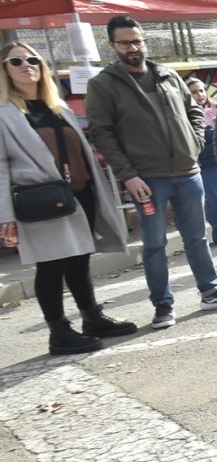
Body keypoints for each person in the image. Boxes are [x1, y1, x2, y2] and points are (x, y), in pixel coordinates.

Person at [83, 17, 217, 329]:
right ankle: (163, 303)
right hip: (146, 179)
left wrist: (195, 142)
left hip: (187, 171)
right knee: (155, 243)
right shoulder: (103, 85)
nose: (133, 47)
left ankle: (210, 291)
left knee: (198, 238)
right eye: (126, 42)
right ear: (113, 46)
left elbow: (195, 111)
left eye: (138, 41)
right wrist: (127, 174)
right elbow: (102, 134)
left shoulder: (167, 75)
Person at [0, 42, 137, 353]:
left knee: (79, 259)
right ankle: (59, 332)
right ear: (5, 70)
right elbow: (0, 168)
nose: (26, 65)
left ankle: (92, 317)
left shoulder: (57, 107)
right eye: (16, 61)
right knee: (50, 266)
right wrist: (5, 215)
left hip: (79, 194)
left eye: (32, 59)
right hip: (39, 199)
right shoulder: (5, 115)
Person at [185, 77, 217, 245]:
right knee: (216, 198)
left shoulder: (215, 108)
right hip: (205, 161)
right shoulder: (186, 114)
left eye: (201, 90)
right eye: (194, 92)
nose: (199, 94)